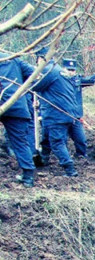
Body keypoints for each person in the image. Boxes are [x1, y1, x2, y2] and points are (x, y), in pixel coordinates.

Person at [30, 48, 81, 178]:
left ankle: (70, 170)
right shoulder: (58, 70)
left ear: (41, 59)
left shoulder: (48, 70)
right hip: (65, 113)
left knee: (57, 142)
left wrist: (29, 78)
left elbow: (35, 86)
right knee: (46, 138)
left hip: (56, 114)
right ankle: (43, 160)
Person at [0, 52, 36, 187]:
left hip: (11, 105)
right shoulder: (14, 59)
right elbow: (33, 73)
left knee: (20, 141)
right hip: (16, 104)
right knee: (20, 141)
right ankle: (28, 177)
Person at [61, 58, 95, 157]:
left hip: (76, 117)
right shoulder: (58, 81)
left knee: (81, 140)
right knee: (61, 140)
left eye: (73, 70)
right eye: (68, 70)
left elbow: (91, 80)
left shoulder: (77, 80)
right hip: (62, 116)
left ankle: (81, 156)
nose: (71, 72)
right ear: (63, 69)